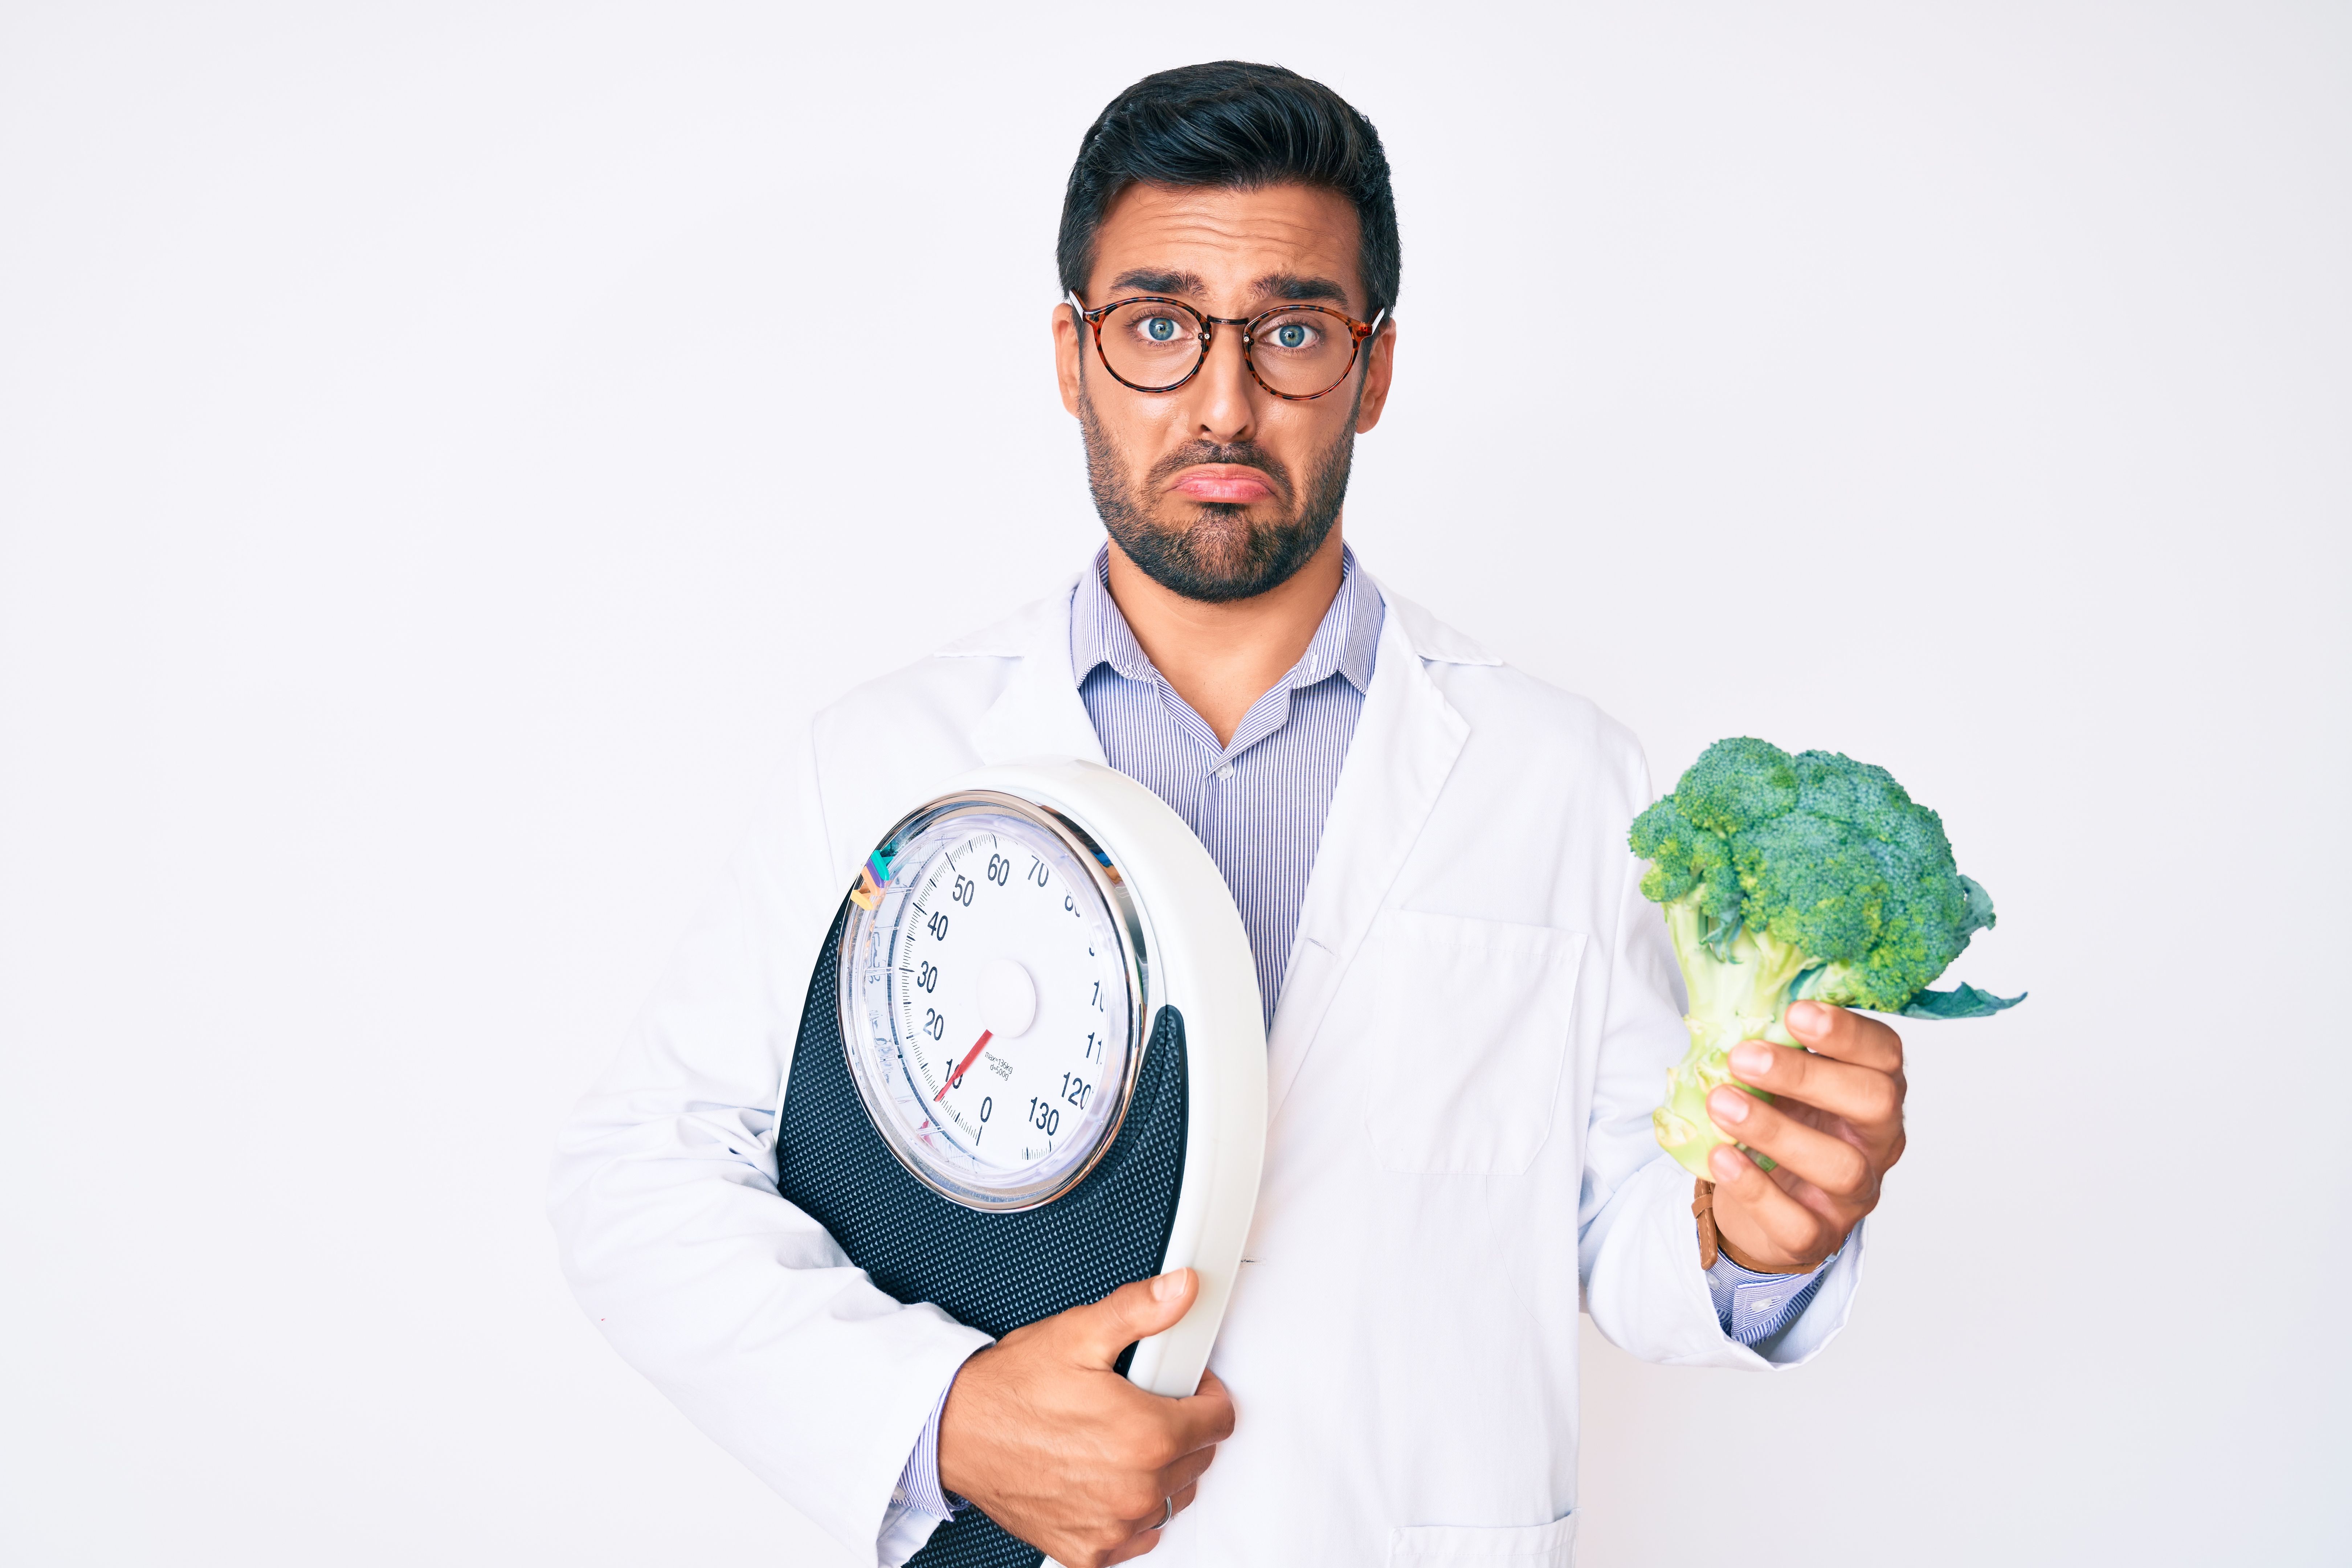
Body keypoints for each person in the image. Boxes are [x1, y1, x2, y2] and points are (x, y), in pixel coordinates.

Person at [550, 61, 1905, 1568]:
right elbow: (644, 1180)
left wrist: (1755, 1238)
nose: (1222, 400)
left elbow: (1637, 1240)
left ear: (1375, 371)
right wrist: (943, 1421)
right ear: (1071, 355)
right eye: (1157, 327)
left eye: (1296, 334)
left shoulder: (1562, 775)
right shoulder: (884, 761)